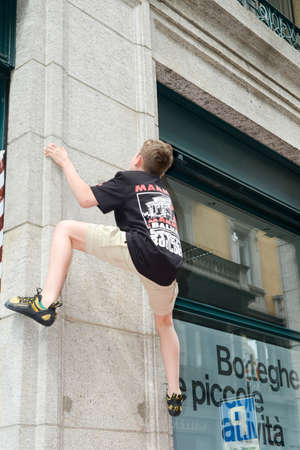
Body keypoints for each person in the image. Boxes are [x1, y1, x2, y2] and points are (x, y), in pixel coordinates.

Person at [4, 139, 184, 417]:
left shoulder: (130, 179)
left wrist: (64, 161)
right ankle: (174, 392)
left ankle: (45, 302)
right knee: (164, 322)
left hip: (140, 249)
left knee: (65, 229)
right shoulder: (163, 192)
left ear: (138, 159)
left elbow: (86, 198)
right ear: (161, 171)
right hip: (168, 266)